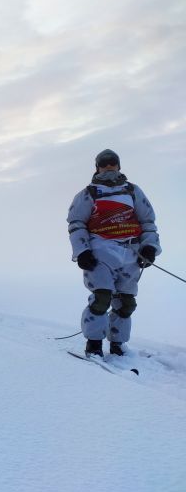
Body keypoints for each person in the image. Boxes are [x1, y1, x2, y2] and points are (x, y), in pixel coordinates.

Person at [67, 149, 161, 357]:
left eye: (112, 162)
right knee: (101, 299)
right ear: (97, 167)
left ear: (118, 165)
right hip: (100, 254)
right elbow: (76, 223)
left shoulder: (133, 191)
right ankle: (94, 345)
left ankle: (118, 345)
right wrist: (82, 251)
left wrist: (149, 247)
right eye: (104, 163)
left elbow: (148, 222)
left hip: (130, 254)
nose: (109, 166)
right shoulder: (87, 194)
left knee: (126, 302)